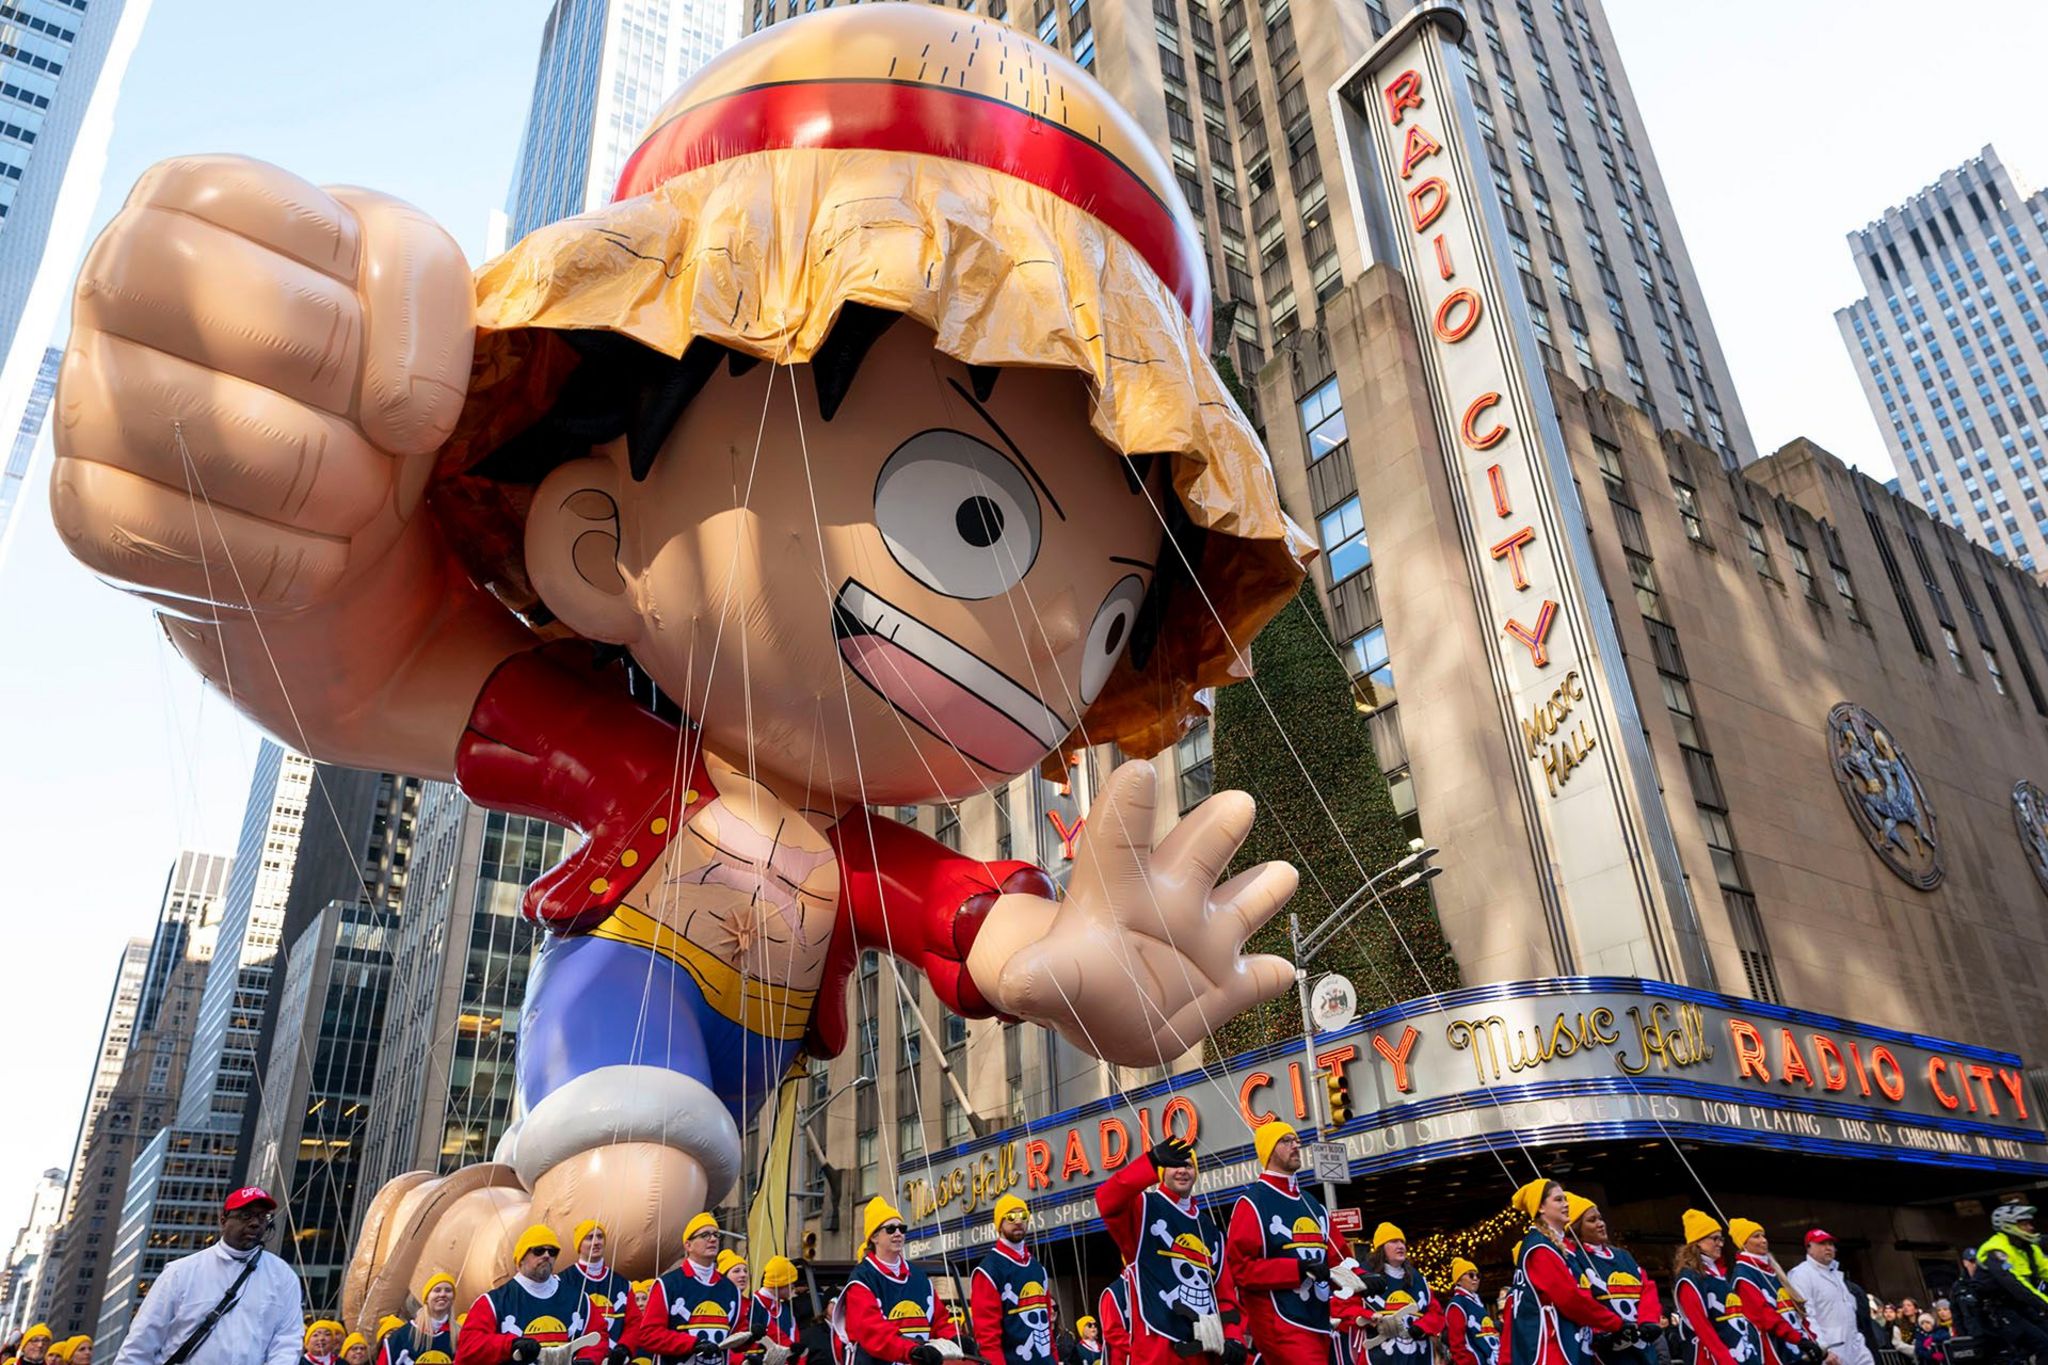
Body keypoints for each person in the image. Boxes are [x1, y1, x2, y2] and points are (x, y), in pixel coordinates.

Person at [64, 7, 1314, 1323]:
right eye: (967, 518)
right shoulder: (640, 763)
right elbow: (395, 669)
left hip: (757, 1054)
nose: (1053, 646)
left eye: (1115, 617)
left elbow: (954, 911)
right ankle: (467, 1252)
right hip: (634, 989)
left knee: (670, 1220)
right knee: (635, 1203)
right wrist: (304, 535)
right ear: (599, 543)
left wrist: (1063, 954)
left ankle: (536, 1268)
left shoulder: (850, 849)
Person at [109, 1185, 305, 1365]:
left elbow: (287, 1342)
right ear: (223, 1220)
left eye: (262, 1217)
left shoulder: (283, 1276)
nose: (255, 1223)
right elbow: (141, 1342)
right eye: (246, 1215)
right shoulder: (180, 1272)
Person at [1223, 1120, 1362, 1365]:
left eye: (1296, 1140)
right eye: (1286, 1141)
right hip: (1280, 1324)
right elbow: (1241, 1269)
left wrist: (1363, 1278)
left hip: (1318, 1322)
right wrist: (1296, 1270)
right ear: (1268, 1150)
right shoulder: (1253, 1202)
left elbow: (1338, 1257)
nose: (1296, 1146)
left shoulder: (1311, 1203)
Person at [1095, 1138, 1244, 1365]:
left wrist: (1233, 1337)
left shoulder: (1209, 1229)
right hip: (1158, 1348)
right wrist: (1150, 1161)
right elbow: (1106, 1199)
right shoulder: (1143, 1207)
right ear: (1162, 1170)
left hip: (1204, 1351)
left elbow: (1224, 1294)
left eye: (1188, 1165)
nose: (1182, 1170)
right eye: (1174, 1164)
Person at [454, 1223, 615, 1365]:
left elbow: (599, 1335)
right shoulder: (493, 1302)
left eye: (552, 1252)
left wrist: (588, 1359)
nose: (546, 1255)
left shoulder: (579, 1300)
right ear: (521, 1258)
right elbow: (468, 1347)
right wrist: (510, 1344)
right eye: (538, 1250)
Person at [1505, 1179, 1625, 1365]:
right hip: (1552, 1350)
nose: (1566, 1204)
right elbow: (1570, 1299)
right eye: (1558, 1200)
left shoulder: (1549, 1245)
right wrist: (1615, 1322)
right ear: (1541, 1208)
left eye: (1565, 1199)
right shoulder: (1540, 1249)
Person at [839, 1197, 961, 1365]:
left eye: (901, 1228)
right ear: (874, 1237)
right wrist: (911, 1351)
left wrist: (956, 1339)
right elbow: (872, 1332)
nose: (898, 1233)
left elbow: (939, 1320)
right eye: (890, 1229)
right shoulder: (862, 1279)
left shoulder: (918, 1277)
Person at [627, 1213, 747, 1365]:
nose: (713, 1239)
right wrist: (692, 1344)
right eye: (705, 1235)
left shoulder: (730, 1289)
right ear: (688, 1245)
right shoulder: (667, 1285)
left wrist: (751, 1337)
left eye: (716, 1234)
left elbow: (736, 1338)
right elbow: (649, 1335)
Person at [1565, 1194, 1662, 1365]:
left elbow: (1647, 1287)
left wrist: (1648, 1320)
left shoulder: (1623, 1256)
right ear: (1576, 1227)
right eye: (1592, 1220)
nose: (1600, 1224)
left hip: (1641, 1344)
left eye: (1600, 1218)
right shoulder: (1575, 1259)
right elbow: (1581, 1301)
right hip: (1608, 1349)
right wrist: (1602, 1333)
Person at [971, 1195, 1058, 1365]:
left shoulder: (1038, 1269)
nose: (1018, 1221)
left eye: (1023, 1216)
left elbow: (1047, 1328)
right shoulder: (988, 1271)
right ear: (1000, 1224)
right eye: (1011, 1217)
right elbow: (987, 1339)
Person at [1724, 1220, 1823, 1365]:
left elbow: (1795, 1311)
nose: (1763, 1240)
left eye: (1763, 1236)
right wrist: (1798, 1339)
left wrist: (1811, 1339)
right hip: (1775, 1350)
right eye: (1756, 1236)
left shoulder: (1769, 1269)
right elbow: (1764, 1315)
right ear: (1743, 1242)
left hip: (1796, 1345)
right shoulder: (1744, 1276)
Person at [1357, 1221, 1444, 1365]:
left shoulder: (1417, 1279)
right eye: (1393, 1241)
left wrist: (1422, 1326)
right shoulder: (1366, 1277)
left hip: (1417, 1354)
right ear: (1381, 1248)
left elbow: (1436, 1314)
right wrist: (1371, 1319)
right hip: (1381, 1356)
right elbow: (1344, 1309)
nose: (1401, 1246)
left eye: (1402, 1242)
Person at [1670, 1211, 1750, 1365]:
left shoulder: (1717, 1273)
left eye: (1721, 1238)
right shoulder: (1690, 1278)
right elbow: (1702, 1327)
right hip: (1711, 1358)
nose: (1720, 1243)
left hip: (1738, 1352)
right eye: (1715, 1238)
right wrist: (1726, 1360)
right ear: (1698, 1242)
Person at [1973, 1202, 2048, 1362]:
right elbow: (2016, 1284)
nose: (2030, 1228)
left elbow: (2046, 1270)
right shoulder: (1995, 1250)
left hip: (2021, 1307)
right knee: (2043, 1344)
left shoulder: (2029, 1247)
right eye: (2024, 1224)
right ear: (2008, 1226)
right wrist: (2045, 1303)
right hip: (1997, 1310)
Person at [1787, 1232, 1876, 1365]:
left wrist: (1859, 1343)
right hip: (1830, 1349)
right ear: (1809, 1247)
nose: (1828, 1248)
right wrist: (1822, 1349)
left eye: (1831, 1244)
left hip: (1855, 1346)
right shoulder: (1801, 1275)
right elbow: (1805, 1316)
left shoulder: (1836, 1274)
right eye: (1822, 1244)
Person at [575, 1223, 635, 1349]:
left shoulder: (622, 1284)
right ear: (579, 1245)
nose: (596, 1242)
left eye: (600, 1237)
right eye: (589, 1238)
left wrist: (624, 1348)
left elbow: (634, 1323)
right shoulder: (564, 1281)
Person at [381, 1272, 459, 1365]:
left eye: (448, 1290)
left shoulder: (460, 1335)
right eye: (437, 1290)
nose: (442, 1294)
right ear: (426, 1298)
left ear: (453, 1298)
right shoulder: (402, 1336)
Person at [745, 1256, 801, 1365]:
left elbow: (795, 1342)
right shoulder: (752, 1306)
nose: (793, 1287)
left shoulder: (785, 1309)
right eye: (791, 1282)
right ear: (780, 1283)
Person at [1444, 1259, 1500, 1365]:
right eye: (1470, 1275)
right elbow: (1457, 1345)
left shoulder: (1477, 1303)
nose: (1475, 1279)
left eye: (1477, 1275)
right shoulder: (1457, 1305)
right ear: (1459, 1280)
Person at [1098, 1276, 1132, 1365]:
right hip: (1122, 1359)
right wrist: (1142, 1348)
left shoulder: (1148, 1286)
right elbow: (1112, 1332)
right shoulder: (1113, 1293)